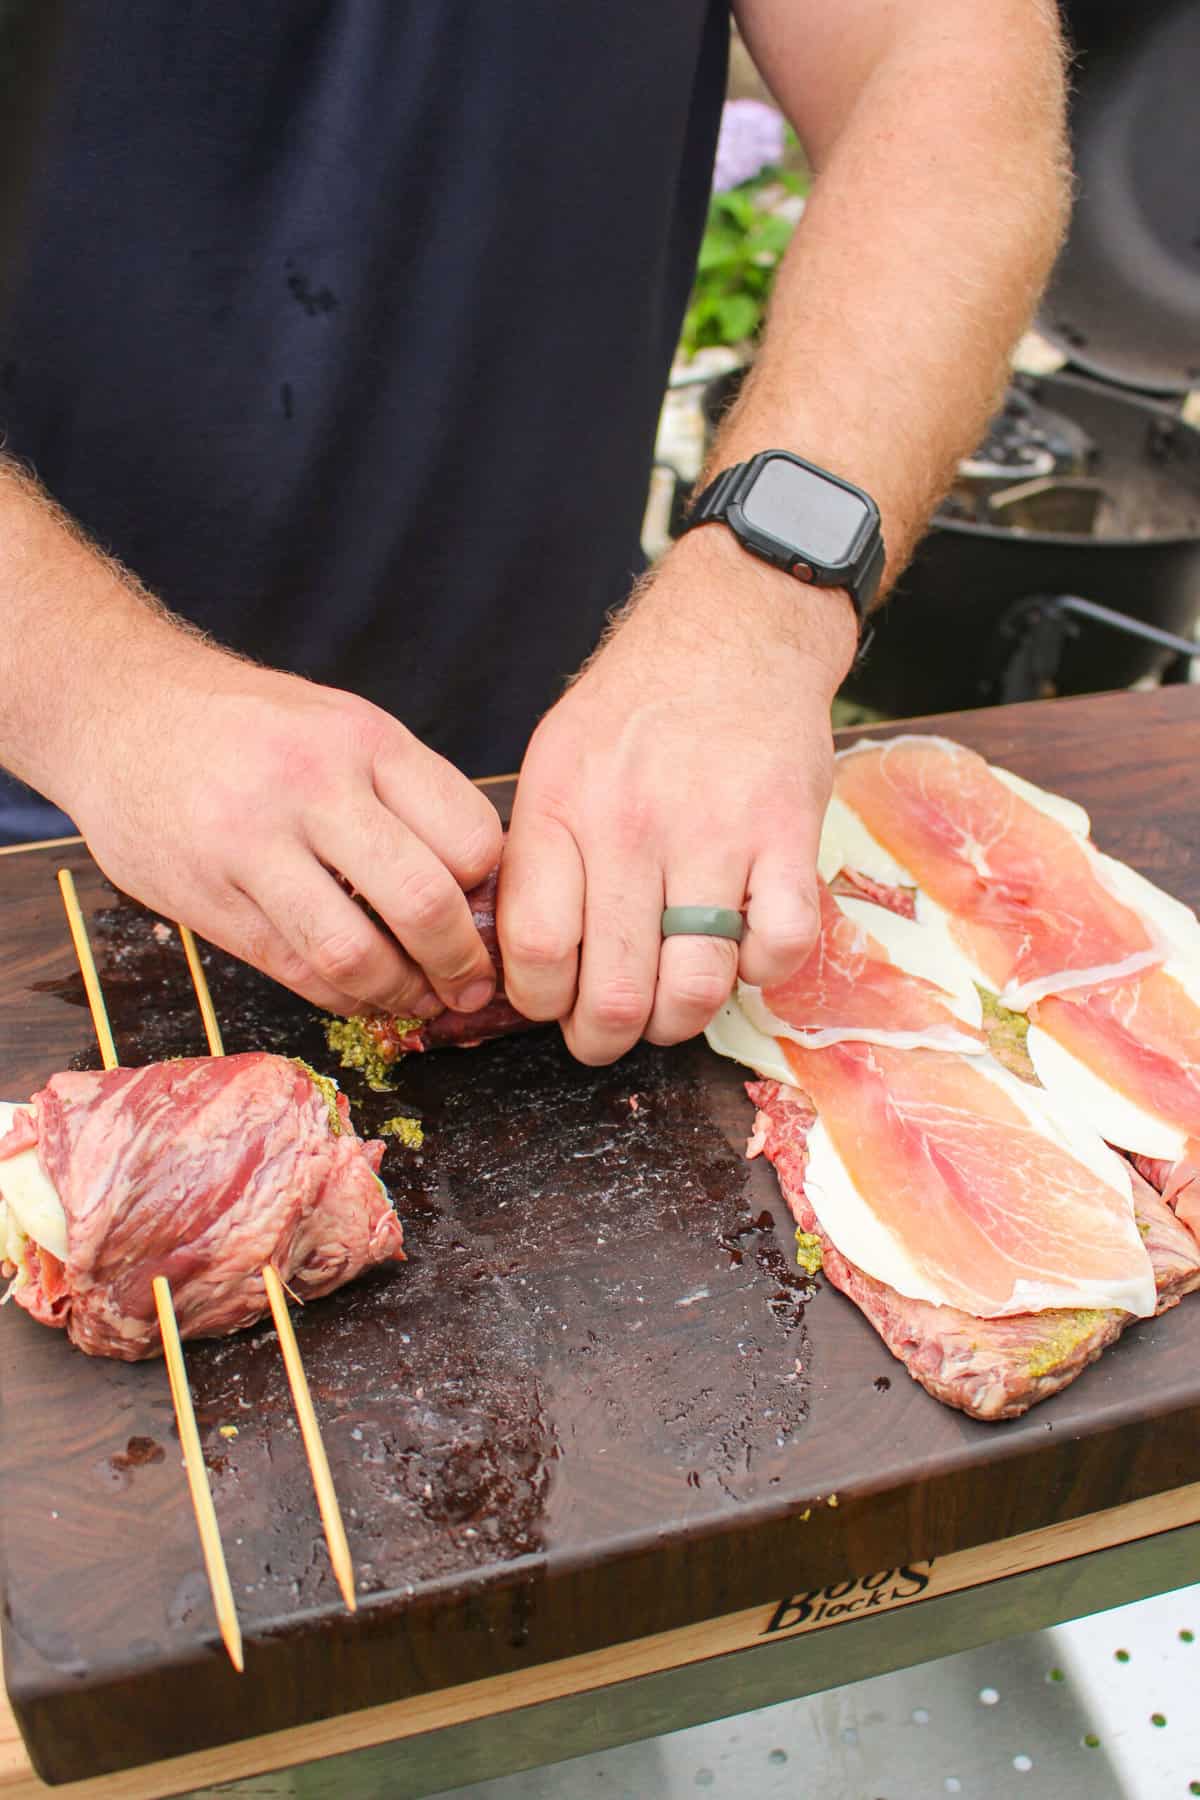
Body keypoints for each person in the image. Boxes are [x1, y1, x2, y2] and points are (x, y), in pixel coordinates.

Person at [0, 2, 1069, 1066]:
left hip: (603, 787)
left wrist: (766, 596)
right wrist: (100, 700)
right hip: (39, 811)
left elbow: (939, 53)